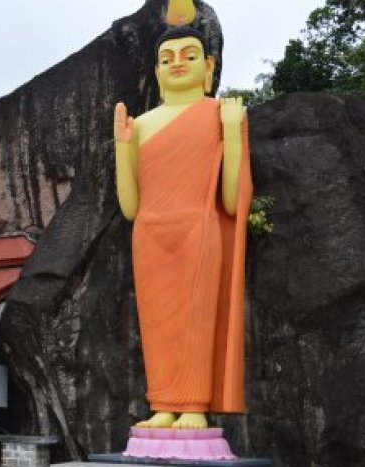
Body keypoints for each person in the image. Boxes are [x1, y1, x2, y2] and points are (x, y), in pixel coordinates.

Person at [113, 20, 253, 429]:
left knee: (195, 316)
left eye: (189, 56)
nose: (177, 64)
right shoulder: (140, 125)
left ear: (209, 67)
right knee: (157, 326)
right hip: (150, 235)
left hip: (198, 228)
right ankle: (163, 405)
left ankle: (193, 404)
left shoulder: (219, 114)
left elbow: (232, 200)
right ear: (156, 71)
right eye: (166, 58)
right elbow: (130, 207)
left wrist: (231, 129)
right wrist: (122, 148)